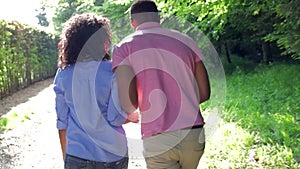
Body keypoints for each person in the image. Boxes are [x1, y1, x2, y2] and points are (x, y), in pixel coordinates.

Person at [112, 0, 211, 169]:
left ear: (132, 22)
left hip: (157, 137)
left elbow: (129, 103)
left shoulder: (124, 48)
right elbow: (204, 93)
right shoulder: (186, 41)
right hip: (193, 134)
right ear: (159, 18)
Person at [53, 13, 139, 169]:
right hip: (112, 154)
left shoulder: (63, 74)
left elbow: (62, 121)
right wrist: (130, 116)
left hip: (77, 155)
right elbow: (115, 118)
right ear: (103, 42)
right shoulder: (113, 71)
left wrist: (66, 156)